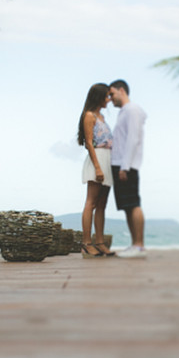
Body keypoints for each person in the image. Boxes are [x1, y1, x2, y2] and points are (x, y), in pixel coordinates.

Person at [76, 82, 116, 258]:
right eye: (106, 96)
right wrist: (98, 167)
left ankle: (99, 241)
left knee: (102, 204)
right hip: (97, 159)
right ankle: (86, 243)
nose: (109, 99)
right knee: (91, 202)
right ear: (99, 97)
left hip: (107, 159)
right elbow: (89, 143)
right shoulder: (89, 116)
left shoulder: (101, 117)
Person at [108, 79, 147, 258]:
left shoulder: (132, 110)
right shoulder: (124, 112)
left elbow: (133, 139)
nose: (110, 98)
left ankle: (139, 246)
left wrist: (125, 166)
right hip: (120, 164)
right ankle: (134, 245)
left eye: (112, 94)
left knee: (133, 204)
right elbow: (123, 139)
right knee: (127, 206)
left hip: (127, 165)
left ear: (121, 90)